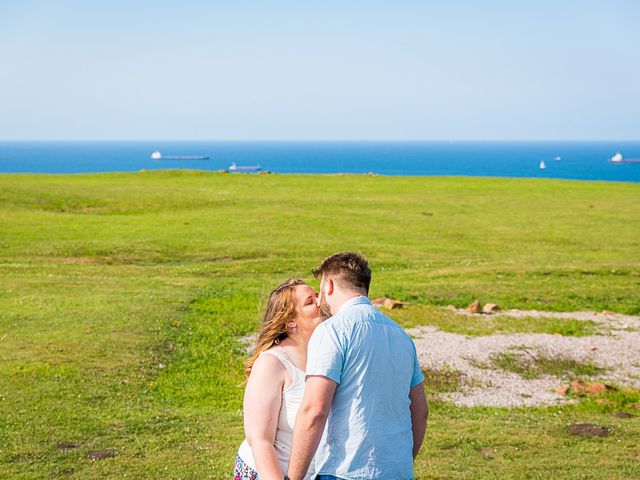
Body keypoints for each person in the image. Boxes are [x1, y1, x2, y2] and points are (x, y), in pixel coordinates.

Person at [287, 252, 429, 480]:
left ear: (330, 285)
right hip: (398, 472)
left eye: (320, 289)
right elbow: (421, 411)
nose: (320, 299)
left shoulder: (332, 330)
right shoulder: (401, 336)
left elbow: (315, 410)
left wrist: (292, 478)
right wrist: (400, 461)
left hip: (345, 470)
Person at [235, 279, 324, 480]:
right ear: (290, 322)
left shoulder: (325, 353)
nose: (320, 301)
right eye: (310, 301)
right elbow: (260, 439)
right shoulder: (272, 363)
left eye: (317, 296)